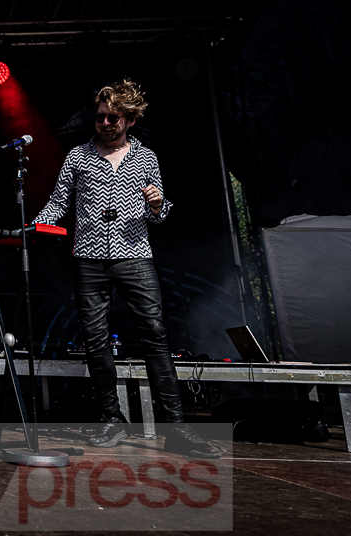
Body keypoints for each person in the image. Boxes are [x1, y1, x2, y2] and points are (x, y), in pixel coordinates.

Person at [30, 79, 218, 458]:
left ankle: (175, 429)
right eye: (100, 117)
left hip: (135, 256)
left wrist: (156, 202)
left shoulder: (146, 158)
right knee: (95, 341)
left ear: (129, 120)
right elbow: (57, 202)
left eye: (112, 118)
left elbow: (161, 214)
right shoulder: (78, 157)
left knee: (155, 336)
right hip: (88, 257)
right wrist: (34, 224)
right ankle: (111, 421)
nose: (104, 123)